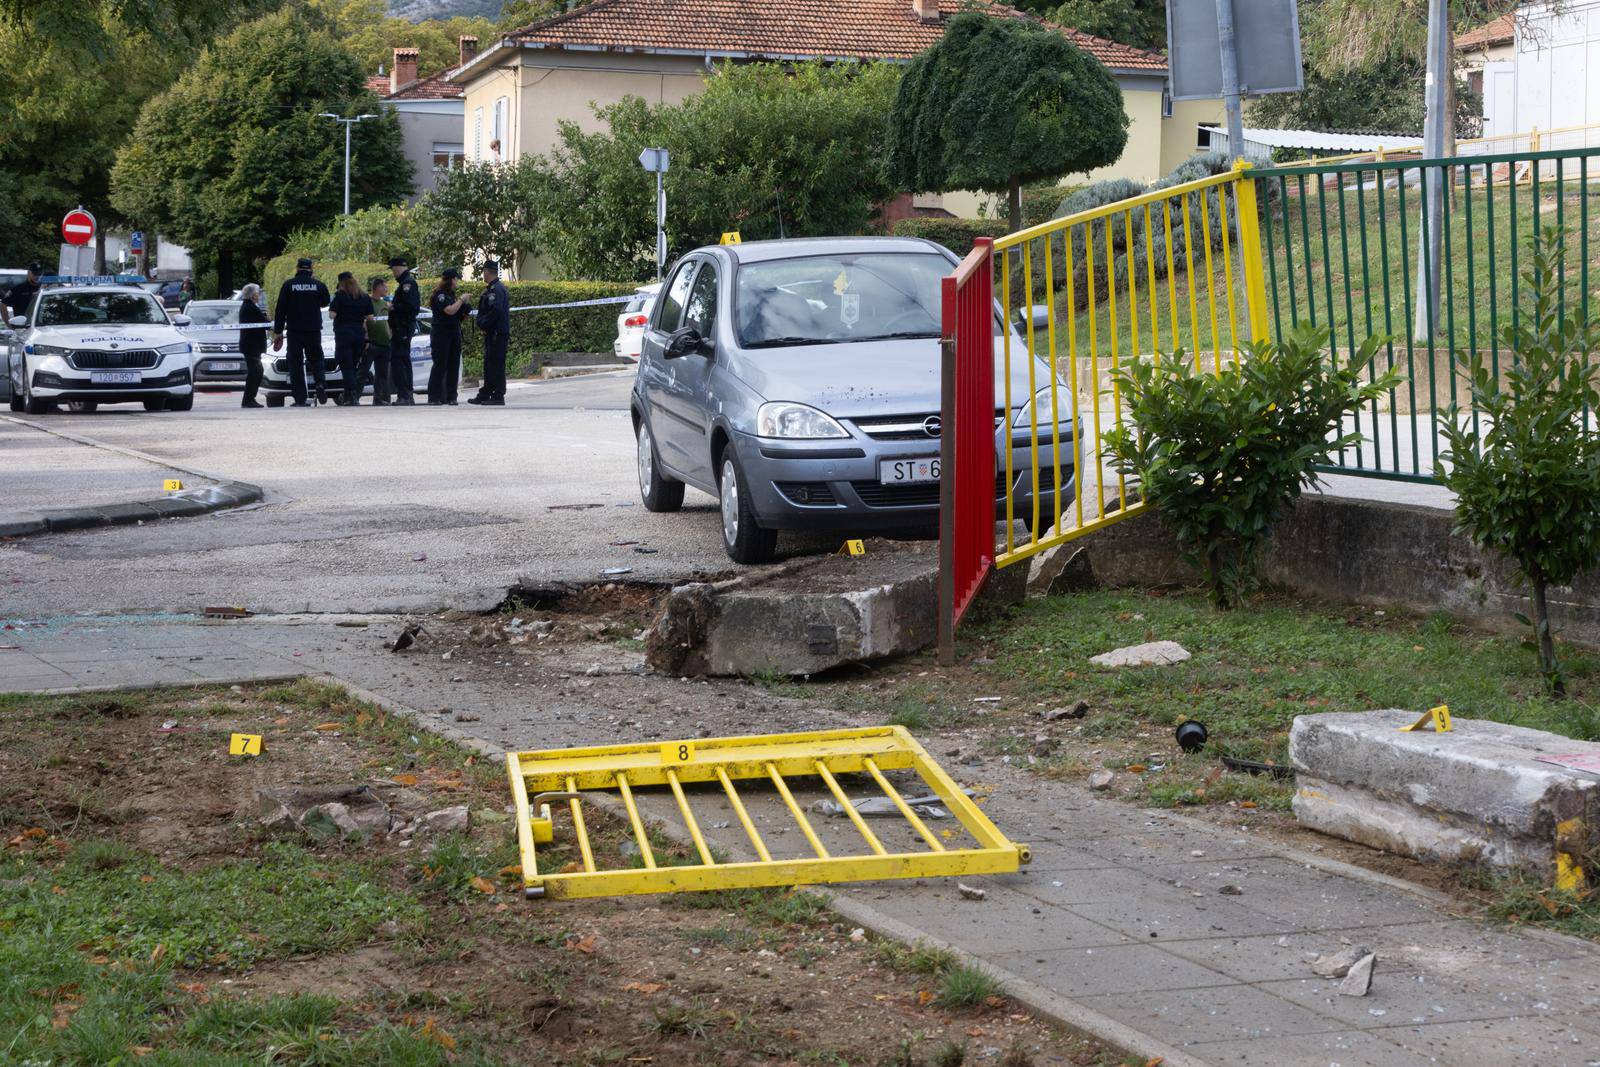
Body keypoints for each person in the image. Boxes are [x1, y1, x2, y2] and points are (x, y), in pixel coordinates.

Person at [271, 257, 331, 407]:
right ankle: (320, 384)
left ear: (297, 269)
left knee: (295, 363)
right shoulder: (318, 285)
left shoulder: (288, 285)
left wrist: (278, 330)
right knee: (317, 359)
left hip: (295, 330)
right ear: (311, 270)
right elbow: (325, 301)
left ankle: (300, 398)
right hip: (313, 329)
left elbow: (280, 309)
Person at [468, 259, 511, 407]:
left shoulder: (495, 290)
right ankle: (486, 392)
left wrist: (483, 322)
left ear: (487, 272)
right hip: (493, 334)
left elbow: (496, 311)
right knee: (489, 364)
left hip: (496, 334)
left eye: (483, 272)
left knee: (496, 365)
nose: (483, 274)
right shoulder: (493, 288)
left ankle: (498, 395)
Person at [328, 271, 374, 406]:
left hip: (343, 334)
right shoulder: (364, 297)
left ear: (341, 283)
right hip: (358, 334)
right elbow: (370, 317)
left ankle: (352, 394)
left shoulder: (340, 296)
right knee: (353, 365)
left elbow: (331, 315)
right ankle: (348, 395)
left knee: (345, 365)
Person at [427, 269, 471, 405]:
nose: (457, 281)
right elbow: (450, 310)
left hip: (453, 332)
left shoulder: (451, 295)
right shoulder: (440, 295)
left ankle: (451, 397)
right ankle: (434, 397)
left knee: (454, 365)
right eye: (456, 279)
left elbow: (457, 316)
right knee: (440, 365)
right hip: (441, 334)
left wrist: (465, 309)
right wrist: (461, 300)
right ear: (451, 280)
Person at [387, 255, 421, 406]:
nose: (393, 273)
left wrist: (393, 307)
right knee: (401, 360)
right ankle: (406, 394)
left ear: (399, 267)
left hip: (403, 328)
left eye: (393, 269)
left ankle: (405, 395)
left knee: (399, 361)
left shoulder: (408, 284)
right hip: (401, 328)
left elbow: (412, 307)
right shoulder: (404, 284)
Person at [361, 276, 393, 404]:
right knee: (363, 371)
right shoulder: (367, 302)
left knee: (382, 374)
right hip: (372, 343)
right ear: (378, 287)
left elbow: (387, 320)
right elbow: (364, 321)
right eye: (384, 286)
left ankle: (379, 399)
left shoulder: (384, 303)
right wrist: (366, 338)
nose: (386, 289)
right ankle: (353, 396)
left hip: (385, 343)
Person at [237, 283, 269, 409]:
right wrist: (267, 319)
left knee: (256, 371)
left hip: (251, 346)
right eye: (257, 293)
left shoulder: (249, 306)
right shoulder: (250, 308)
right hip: (251, 346)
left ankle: (250, 399)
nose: (258, 295)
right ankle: (248, 399)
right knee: (255, 372)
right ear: (252, 295)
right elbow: (264, 323)